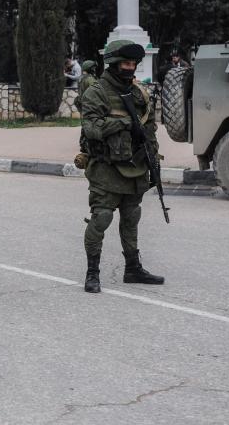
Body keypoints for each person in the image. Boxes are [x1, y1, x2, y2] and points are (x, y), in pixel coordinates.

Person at [79, 39, 164, 294]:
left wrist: (154, 161)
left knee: (131, 217)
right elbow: (92, 128)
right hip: (107, 168)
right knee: (102, 218)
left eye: (133, 64)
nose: (130, 68)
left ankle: (132, 268)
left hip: (135, 167)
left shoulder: (138, 93)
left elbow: (149, 131)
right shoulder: (97, 92)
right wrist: (125, 122)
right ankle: (92, 273)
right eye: (125, 63)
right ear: (114, 63)